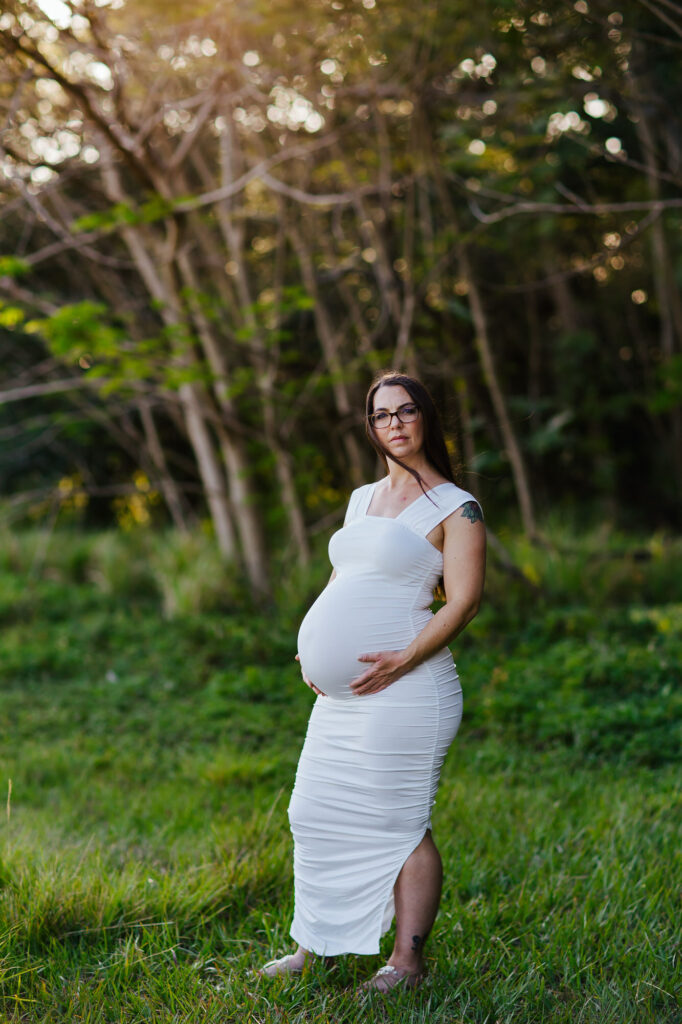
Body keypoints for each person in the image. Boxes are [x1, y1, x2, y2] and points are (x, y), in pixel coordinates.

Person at [258, 370, 486, 992]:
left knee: (397, 820)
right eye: (382, 415)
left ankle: (406, 965)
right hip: (344, 695)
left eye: (406, 412)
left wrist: (404, 657)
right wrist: (315, 653)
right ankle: (317, 945)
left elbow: (462, 603)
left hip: (408, 688)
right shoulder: (361, 499)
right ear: (371, 427)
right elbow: (343, 581)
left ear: (427, 419)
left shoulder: (456, 505)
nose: (395, 424)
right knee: (315, 811)